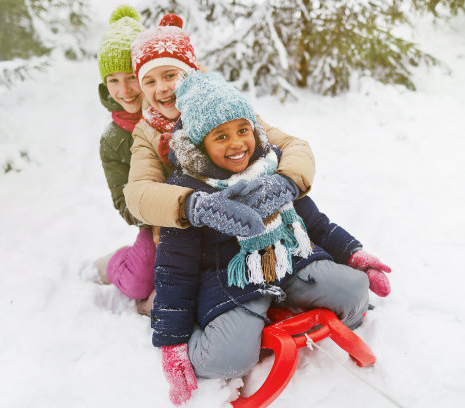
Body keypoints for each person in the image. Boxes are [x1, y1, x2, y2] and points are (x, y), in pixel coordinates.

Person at [150, 71, 393, 406]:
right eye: (220, 137)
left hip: (288, 258)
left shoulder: (269, 167)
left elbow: (314, 222)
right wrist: (172, 341)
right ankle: (208, 332)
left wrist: (352, 252)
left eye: (242, 130)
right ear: (200, 145)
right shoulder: (188, 193)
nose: (237, 143)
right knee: (226, 361)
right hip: (229, 281)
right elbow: (174, 269)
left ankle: (289, 300)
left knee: (353, 291)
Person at [123, 13, 316, 235]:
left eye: (169, 75)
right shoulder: (147, 131)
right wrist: (194, 206)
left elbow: (294, 146)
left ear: (190, 73)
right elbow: (138, 192)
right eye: (150, 81)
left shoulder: (222, 107)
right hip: (189, 241)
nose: (162, 88)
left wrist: (286, 182)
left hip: (254, 225)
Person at [94, 6, 155, 314]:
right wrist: (161, 216)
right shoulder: (113, 142)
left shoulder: (171, 110)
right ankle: (115, 264)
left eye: (131, 77)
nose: (125, 90)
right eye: (113, 80)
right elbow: (124, 202)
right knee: (138, 282)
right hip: (157, 220)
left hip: (200, 215)